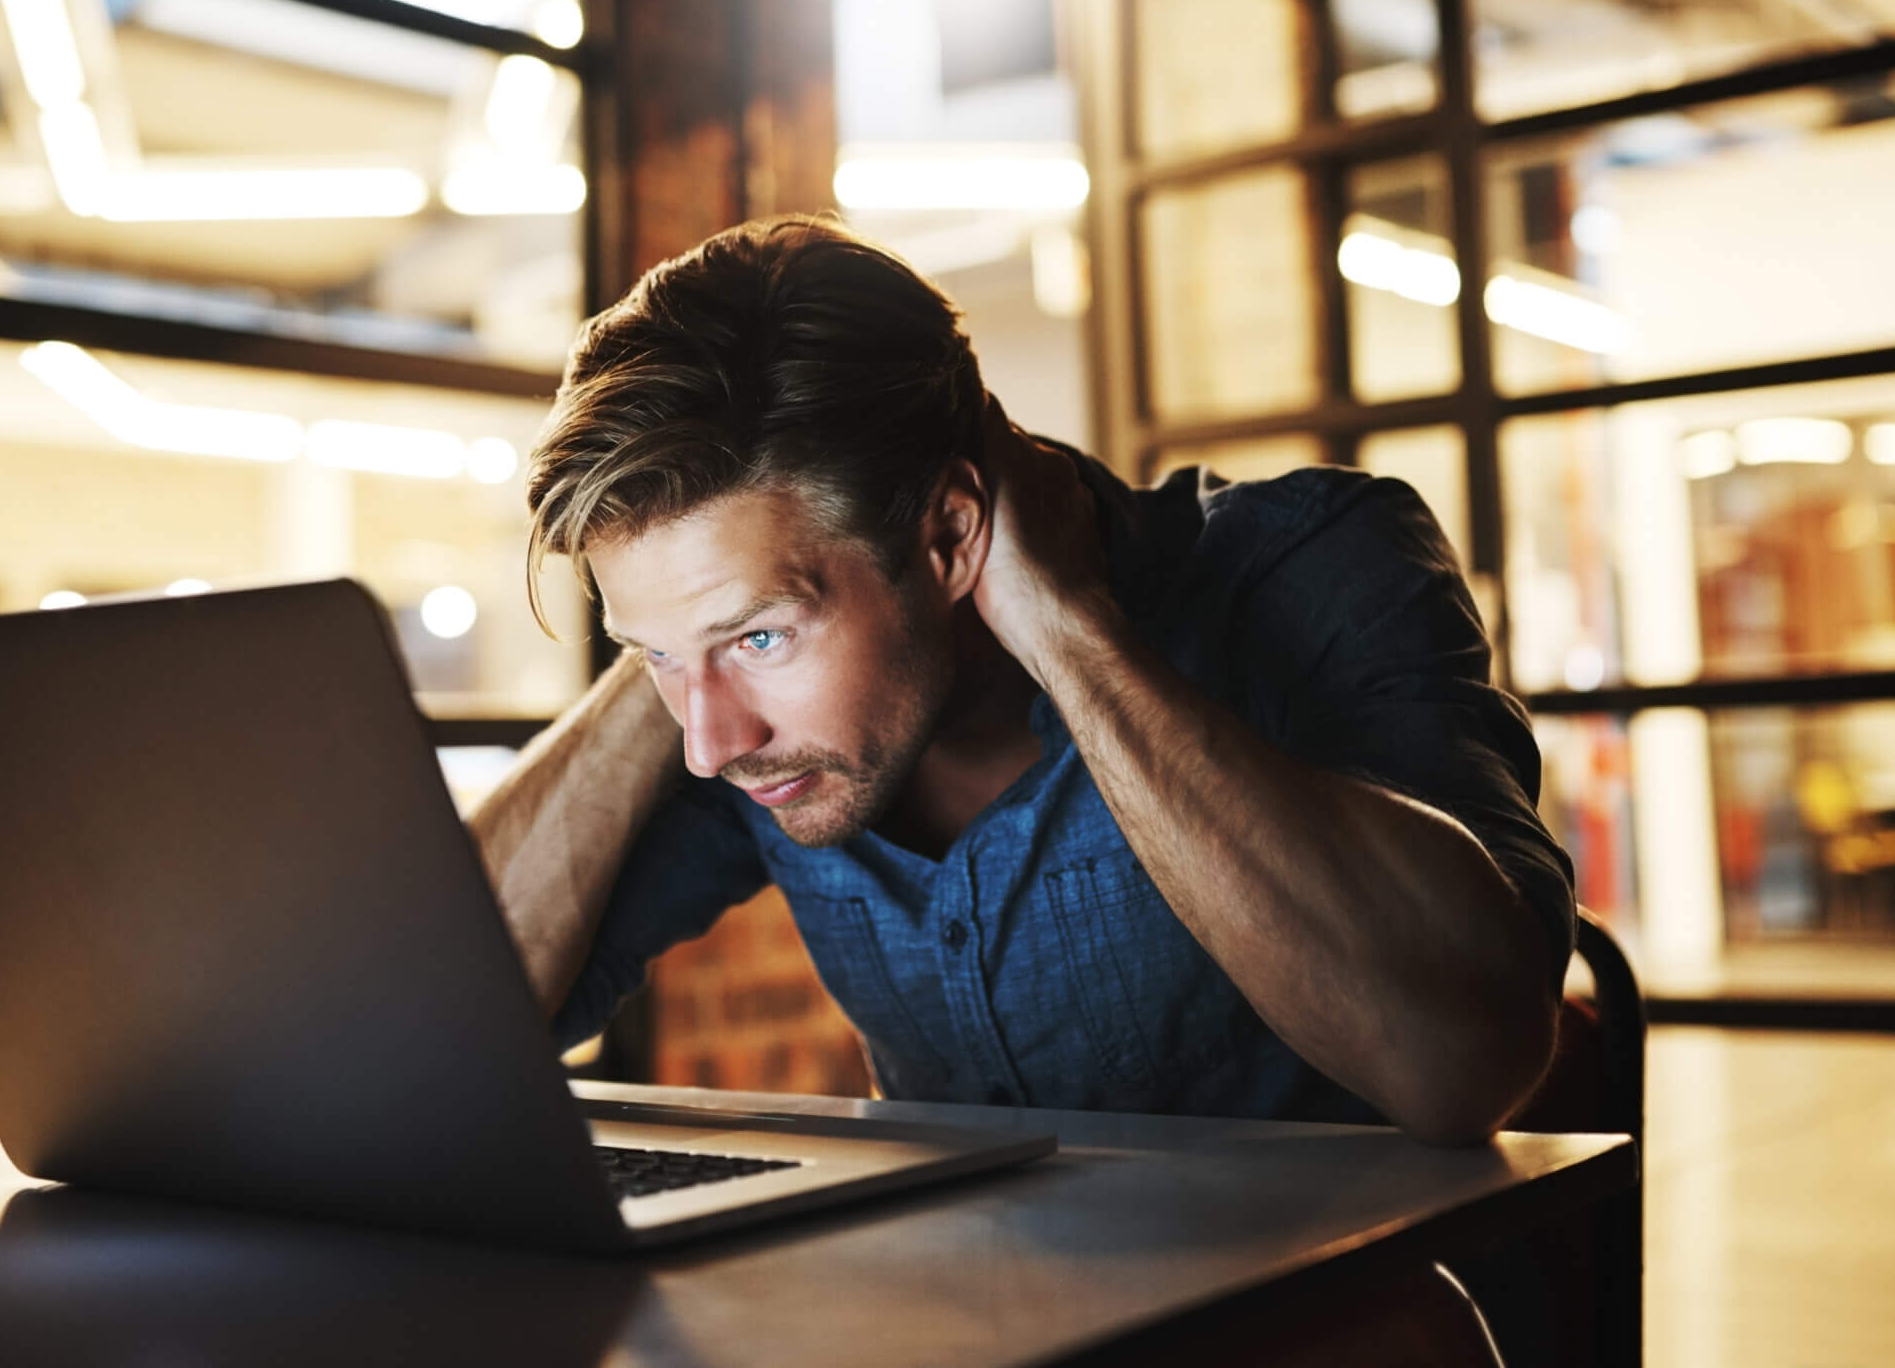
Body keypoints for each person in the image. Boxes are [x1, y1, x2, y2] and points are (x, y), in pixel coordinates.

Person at [469, 214, 1571, 1145]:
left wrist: (1072, 630)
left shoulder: (1319, 561)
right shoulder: (749, 731)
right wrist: (684, 631)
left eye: (763, 637)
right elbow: (441, 1027)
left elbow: (1461, 1063)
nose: (708, 742)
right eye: (653, 654)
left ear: (951, 531)